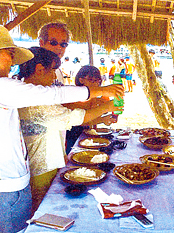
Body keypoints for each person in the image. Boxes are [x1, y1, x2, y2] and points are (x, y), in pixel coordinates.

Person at [0, 25, 123, 233]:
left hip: (17, 179)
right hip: (9, 184)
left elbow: (57, 96)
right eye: (8, 54)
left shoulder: (7, 86)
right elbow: (55, 96)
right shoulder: (2, 87)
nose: (11, 61)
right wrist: (99, 93)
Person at [18, 48, 123, 214]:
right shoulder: (35, 101)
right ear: (39, 69)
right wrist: (106, 107)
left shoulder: (31, 94)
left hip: (46, 164)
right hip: (41, 170)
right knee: (43, 213)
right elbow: (74, 118)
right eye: (53, 70)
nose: (54, 76)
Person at [65, 65, 118, 154]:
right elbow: (79, 121)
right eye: (92, 80)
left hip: (85, 136)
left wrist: (106, 118)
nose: (96, 84)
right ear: (81, 80)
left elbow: (89, 119)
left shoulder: (94, 98)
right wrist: (102, 117)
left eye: (98, 81)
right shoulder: (73, 96)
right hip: (71, 138)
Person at [39, 22, 71, 86]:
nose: (59, 47)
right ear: (42, 43)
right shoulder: (32, 69)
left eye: (63, 44)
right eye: (53, 43)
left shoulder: (58, 71)